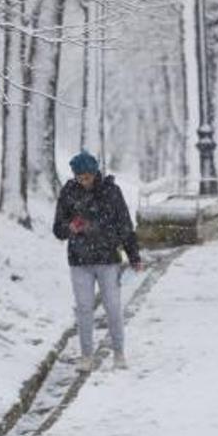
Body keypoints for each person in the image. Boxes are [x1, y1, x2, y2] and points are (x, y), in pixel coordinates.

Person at [52, 151, 144, 371]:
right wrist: (70, 228)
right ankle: (86, 356)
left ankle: (119, 353)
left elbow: (125, 225)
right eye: (79, 177)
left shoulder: (111, 192)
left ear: (95, 173)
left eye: (87, 176)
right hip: (79, 260)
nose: (84, 181)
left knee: (112, 306)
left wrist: (134, 256)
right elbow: (57, 229)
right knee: (84, 308)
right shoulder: (68, 192)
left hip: (107, 259)